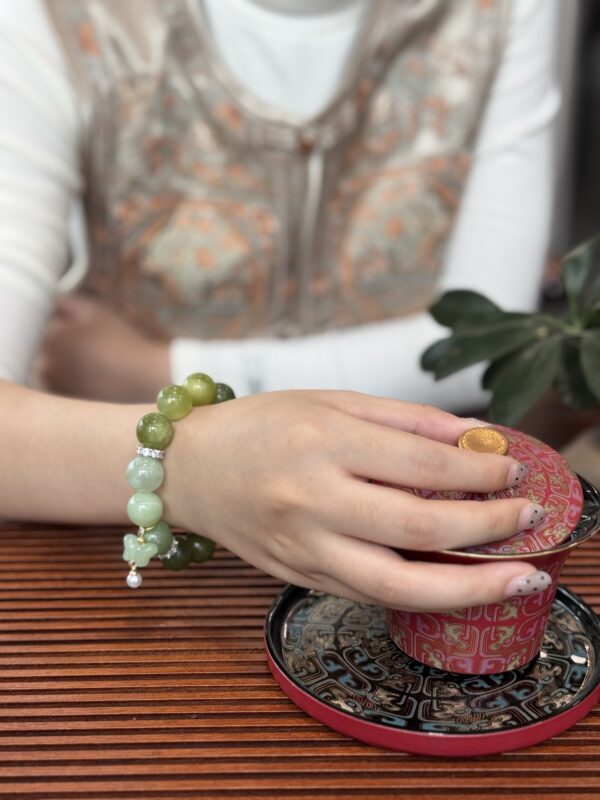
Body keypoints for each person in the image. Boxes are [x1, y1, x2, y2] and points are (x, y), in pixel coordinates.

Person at [0, 0, 559, 608]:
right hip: (133, 557)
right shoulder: (54, 16)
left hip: (421, 532)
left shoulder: (504, 11)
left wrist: (169, 372)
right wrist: (191, 466)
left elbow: (489, 340)